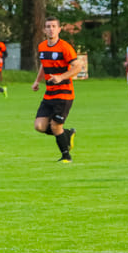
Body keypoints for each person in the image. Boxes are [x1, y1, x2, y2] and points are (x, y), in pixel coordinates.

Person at [32, 17, 83, 163]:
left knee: (55, 125)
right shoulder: (42, 46)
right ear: (44, 30)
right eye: (48, 26)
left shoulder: (65, 47)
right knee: (39, 126)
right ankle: (66, 133)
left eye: (54, 26)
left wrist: (61, 77)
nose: (51, 29)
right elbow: (44, 65)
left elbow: (78, 66)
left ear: (59, 29)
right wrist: (37, 81)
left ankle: (66, 157)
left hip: (64, 94)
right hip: (49, 94)